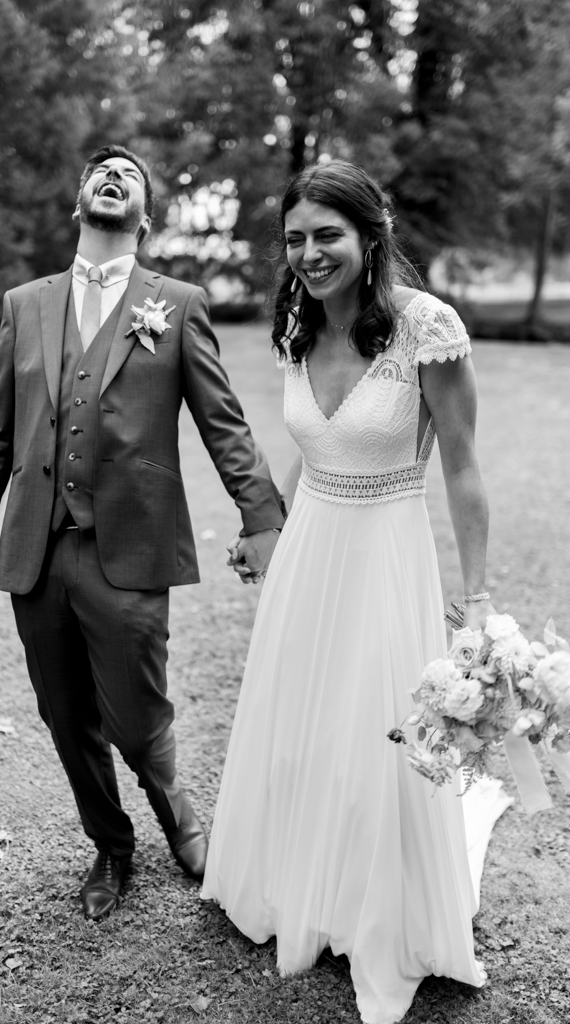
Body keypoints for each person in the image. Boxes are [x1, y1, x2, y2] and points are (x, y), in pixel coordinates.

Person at [201, 160, 510, 1024]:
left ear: (370, 235)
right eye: (294, 239)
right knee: (302, 723)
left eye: (325, 235)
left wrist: (476, 601)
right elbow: (320, 447)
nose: (308, 253)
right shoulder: (299, 325)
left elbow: (463, 466)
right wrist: (270, 530)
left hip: (384, 559)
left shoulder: (426, 327)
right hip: (308, 557)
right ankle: (293, 881)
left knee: (374, 735)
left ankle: (375, 910)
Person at [0, 144, 284, 921]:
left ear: (146, 214)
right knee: (66, 718)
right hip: (36, 548)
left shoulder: (178, 302)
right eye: (101, 171)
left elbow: (223, 423)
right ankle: (111, 845)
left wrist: (261, 516)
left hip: (129, 551)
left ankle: (181, 818)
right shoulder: (22, 305)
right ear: (79, 203)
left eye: (130, 175)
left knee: (137, 717)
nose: (114, 176)